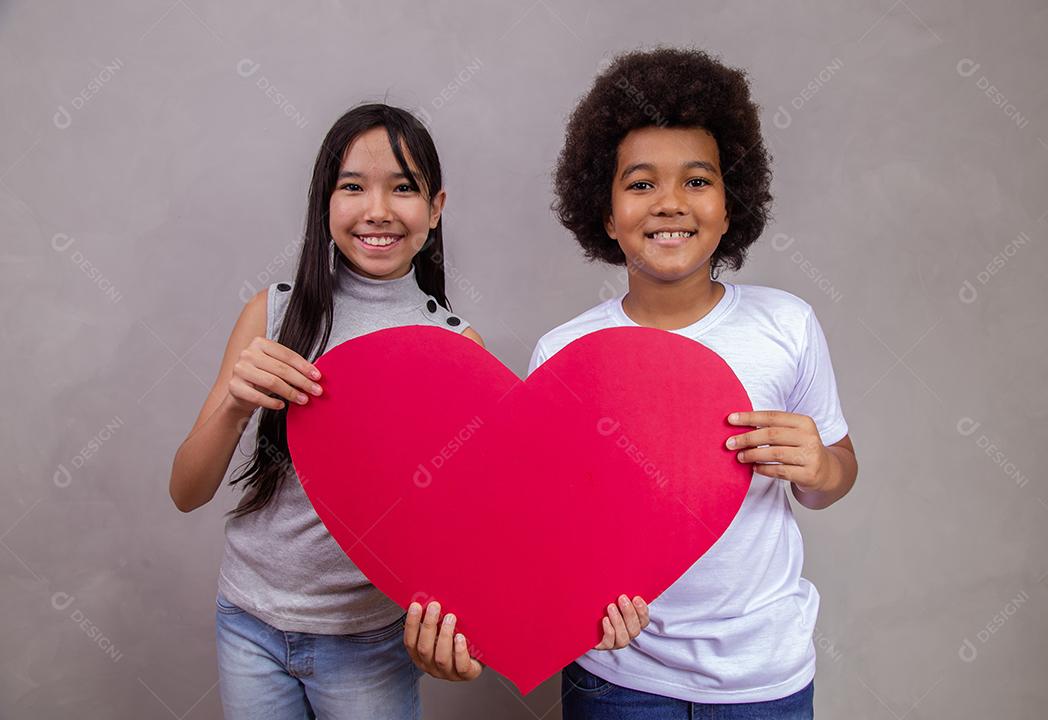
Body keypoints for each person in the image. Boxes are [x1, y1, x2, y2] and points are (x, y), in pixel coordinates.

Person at [534, 47, 859, 719]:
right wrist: (577, 600)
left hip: (763, 676)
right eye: (641, 184)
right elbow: (550, 523)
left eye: (697, 180)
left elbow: (835, 476)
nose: (670, 203)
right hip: (616, 676)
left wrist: (822, 467)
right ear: (605, 212)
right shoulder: (564, 353)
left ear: (731, 204)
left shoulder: (787, 325)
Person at [169, 103, 481, 719]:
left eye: (404, 188)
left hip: (369, 639)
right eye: (353, 187)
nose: (378, 210)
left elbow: (468, 528)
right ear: (324, 202)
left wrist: (461, 630)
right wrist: (235, 404)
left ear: (436, 208)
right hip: (248, 621)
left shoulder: (456, 348)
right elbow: (186, 491)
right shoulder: (274, 312)